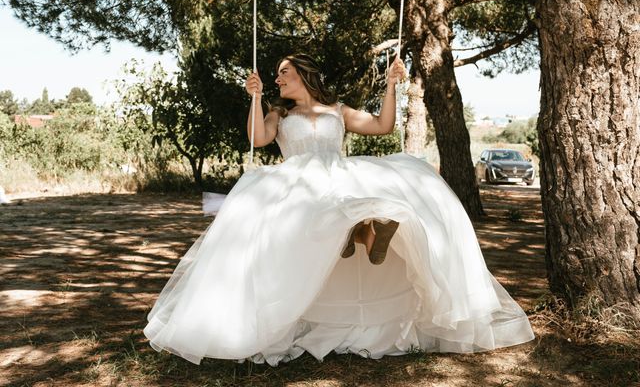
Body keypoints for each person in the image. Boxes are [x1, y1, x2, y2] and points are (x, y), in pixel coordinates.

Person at [143, 53, 534, 366]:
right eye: (277, 75)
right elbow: (258, 138)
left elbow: (382, 126)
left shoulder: (338, 110)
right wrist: (257, 97)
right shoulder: (280, 114)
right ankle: (356, 232)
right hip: (296, 179)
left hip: (336, 171)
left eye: (284, 73)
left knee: (386, 188)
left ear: (304, 75)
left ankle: (360, 232)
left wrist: (392, 85)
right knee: (306, 205)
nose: (279, 78)